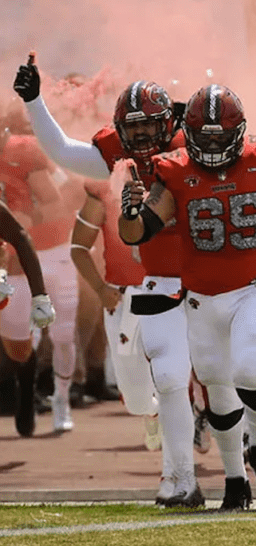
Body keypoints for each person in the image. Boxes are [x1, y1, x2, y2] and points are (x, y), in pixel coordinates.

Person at [118, 84, 256, 510]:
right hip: (201, 298)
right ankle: (236, 481)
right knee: (218, 393)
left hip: (255, 286)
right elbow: (140, 231)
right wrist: (128, 213)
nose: (215, 144)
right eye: (207, 136)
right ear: (191, 134)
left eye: (222, 136)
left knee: (252, 368)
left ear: (239, 132)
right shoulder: (176, 169)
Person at [15, 58, 205, 507]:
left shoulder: (193, 149)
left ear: (169, 123)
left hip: (187, 284)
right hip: (135, 289)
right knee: (140, 397)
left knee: (183, 379)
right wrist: (34, 101)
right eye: (131, 128)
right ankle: (179, 450)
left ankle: (190, 476)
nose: (139, 137)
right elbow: (62, 150)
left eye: (148, 126)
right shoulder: (112, 165)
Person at [0, 198, 56, 436]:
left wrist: (40, 296)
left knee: (19, 351)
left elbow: (20, 237)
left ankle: (25, 383)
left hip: (7, 279)